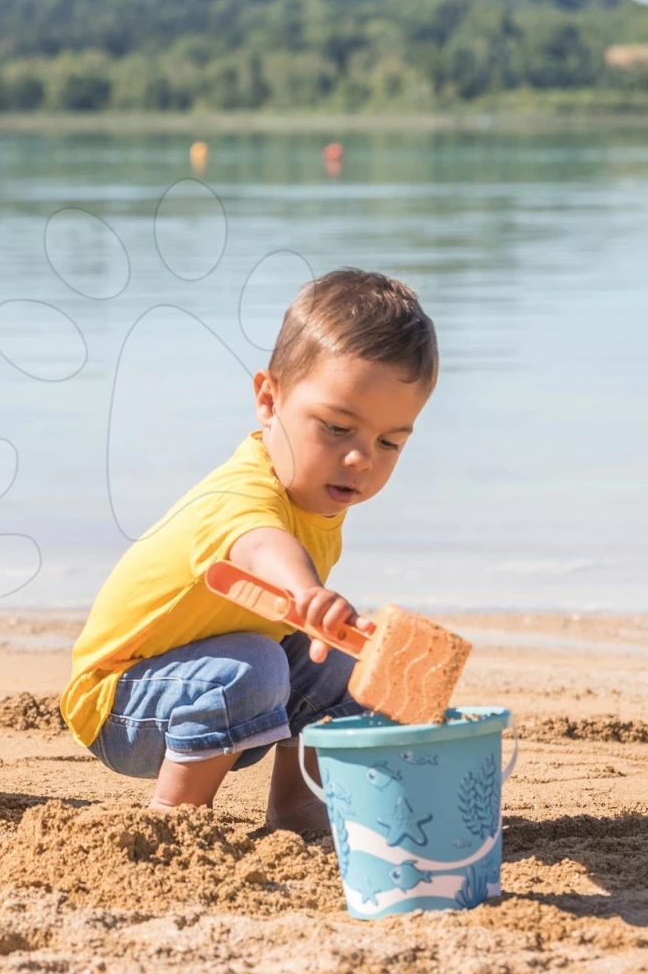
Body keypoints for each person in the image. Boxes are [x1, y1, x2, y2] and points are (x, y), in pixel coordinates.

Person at [59, 268, 438, 831]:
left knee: (343, 658)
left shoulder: (317, 493)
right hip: (122, 700)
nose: (362, 459)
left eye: (388, 442)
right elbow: (259, 544)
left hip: (219, 680)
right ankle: (175, 822)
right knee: (257, 663)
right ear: (269, 399)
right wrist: (307, 592)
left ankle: (298, 804)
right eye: (337, 428)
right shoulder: (241, 491)